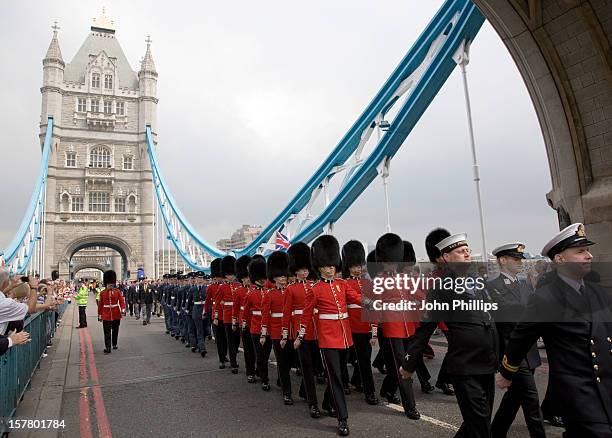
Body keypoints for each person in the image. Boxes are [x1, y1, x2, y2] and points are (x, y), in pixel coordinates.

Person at [497, 223, 612, 437]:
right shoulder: (546, 297)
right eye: (580, 251)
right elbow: (522, 334)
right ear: (560, 259)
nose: (589, 256)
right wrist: (507, 370)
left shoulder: (596, 292)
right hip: (579, 393)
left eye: (587, 250)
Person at [400, 232, 499, 438]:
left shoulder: (478, 281)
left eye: (468, 251)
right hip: (465, 365)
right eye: (461, 252)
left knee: (480, 421)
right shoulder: (441, 288)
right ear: (446, 257)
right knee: (481, 426)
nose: (467, 255)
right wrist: (409, 363)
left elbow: (491, 321)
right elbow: (425, 329)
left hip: (487, 363)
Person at [294, 234, 362, 436]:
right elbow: (306, 314)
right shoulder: (315, 289)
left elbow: (357, 298)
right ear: (320, 267)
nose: (330, 268)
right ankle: (343, 418)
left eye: (332, 265)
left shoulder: (342, 285)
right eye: (326, 266)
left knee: (339, 375)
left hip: (344, 336)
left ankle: (326, 401)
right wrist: (300, 335)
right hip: (327, 337)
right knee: (335, 378)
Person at [488, 243, 545, 438]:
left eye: (521, 259)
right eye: (516, 259)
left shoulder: (524, 284)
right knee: (531, 402)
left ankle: (496, 432)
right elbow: (507, 313)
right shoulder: (493, 286)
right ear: (503, 260)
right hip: (512, 353)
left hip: (529, 351)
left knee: (514, 398)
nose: (520, 262)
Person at [375, 234, 420, 420]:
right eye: (388, 262)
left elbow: (419, 295)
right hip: (391, 327)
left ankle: (386, 390)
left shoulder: (404, 277)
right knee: (403, 366)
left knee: (400, 365)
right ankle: (410, 406)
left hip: (407, 325)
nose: (391, 265)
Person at [282, 242, 321, 418]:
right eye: (301, 269)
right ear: (295, 270)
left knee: (314, 366)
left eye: (307, 269)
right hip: (301, 330)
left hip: (317, 328)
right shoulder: (291, 289)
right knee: (306, 366)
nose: (305, 272)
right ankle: (313, 403)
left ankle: (305, 391)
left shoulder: (314, 285)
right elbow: (286, 312)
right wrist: (286, 334)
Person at [341, 240, 379, 406]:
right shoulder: (344, 284)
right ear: (348, 266)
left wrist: (374, 329)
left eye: (359, 265)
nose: (358, 269)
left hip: (365, 325)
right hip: (350, 325)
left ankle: (361, 384)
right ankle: (352, 385)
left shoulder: (368, 283)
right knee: (349, 357)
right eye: (354, 266)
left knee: (364, 358)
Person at [424, 227, 455, 396]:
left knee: (455, 349)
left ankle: (444, 380)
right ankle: (444, 380)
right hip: (444, 319)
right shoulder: (435, 277)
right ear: (437, 257)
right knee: (455, 349)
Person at [262, 251, 294, 405]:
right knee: (282, 361)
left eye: (284, 275)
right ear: (274, 277)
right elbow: (265, 315)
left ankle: (283, 379)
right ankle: (287, 392)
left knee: (290, 360)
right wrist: (263, 334)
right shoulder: (269, 294)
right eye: (279, 275)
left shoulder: (291, 291)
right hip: (276, 331)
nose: (282, 278)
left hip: (291, 329)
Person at [243, 258, 272, 391]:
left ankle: (260, 371)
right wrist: (247, 326)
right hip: (256, 327)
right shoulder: (250, 294)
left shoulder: (268, 292)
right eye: (261, 277)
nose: (263, 280)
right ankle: (265, 380)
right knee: (260, 355)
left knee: (266, 354)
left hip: (269, 327)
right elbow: (247, 313)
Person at [233, 256, 256, 381]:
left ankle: (257, 368)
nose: (247, 280)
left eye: (248, 277)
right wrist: (235, 321)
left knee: (257, 348)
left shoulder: (256, 290)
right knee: (248, 349)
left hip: (256, 321)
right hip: (245, 322)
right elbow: (236, 308)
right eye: (245, 278)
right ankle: (250, 371)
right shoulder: (238, 291)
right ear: (242, 279)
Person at [218, 256, 241, 374]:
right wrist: (217, 316)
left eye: (232, 274)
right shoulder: (222, 287)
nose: (230, 276)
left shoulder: (239, 286)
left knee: (237, 340)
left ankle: (233, 355)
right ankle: (233, 363)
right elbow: (217, 303)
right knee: (231, 340)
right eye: (228, 274)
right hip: (227, 317)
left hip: (238, 316)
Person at [97, 270, 126, 354]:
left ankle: (114, 343)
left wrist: (123, 309)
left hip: (116, 313)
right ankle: (108, 347)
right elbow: (100, 305)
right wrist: (99, 314)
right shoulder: (102, 293)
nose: (110, 285)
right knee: (106, 331)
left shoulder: (117, 291)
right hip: (106, 314)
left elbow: (121, 301)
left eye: (111, 284)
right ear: (106, 284)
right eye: (109, 284)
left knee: (115, 330)